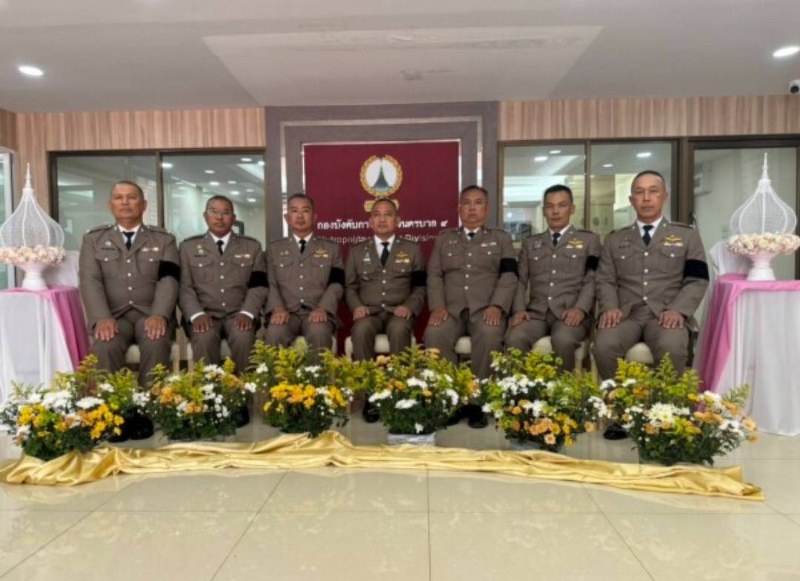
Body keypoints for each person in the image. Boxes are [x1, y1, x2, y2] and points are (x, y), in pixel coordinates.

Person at [593, 170, 709, 439]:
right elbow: (605, 279)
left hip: (666, 313)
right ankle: (622, 414)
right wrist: (610, 307)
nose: (646, 198)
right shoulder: (615, 239)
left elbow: (697, 279)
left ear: (664, 196)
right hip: (627, 313)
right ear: (631, 200)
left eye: (653, 191)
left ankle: (666, 415)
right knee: (604, 345)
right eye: (639, 192)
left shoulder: (687, 236)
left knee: (672, 347)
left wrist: (679, 309)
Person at [424, 185, 518, 427]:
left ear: (487, 209)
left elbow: (509, 276)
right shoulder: (444, 239)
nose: (472, 208)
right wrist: (437, 306)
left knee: (490, 335)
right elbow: (434, 275)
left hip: (486, 309)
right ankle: (452, 399)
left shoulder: (501, 239)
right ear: (459, 209)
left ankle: (477, 402)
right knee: (434, 334)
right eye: (467, 203)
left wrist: (497, 306)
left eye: (478, 203)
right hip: (451, 310)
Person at [79, 180, 179, 391]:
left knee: (156, 342)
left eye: (132, 197)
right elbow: (90, 280)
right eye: (119, 198)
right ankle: (111, 405)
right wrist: (101, 317)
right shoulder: (93, 240)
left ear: (144, 205)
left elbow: (168, 280)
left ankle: (151, 404)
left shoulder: (164, 240)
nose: (125, 202)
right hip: (113, 316)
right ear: (110, 205)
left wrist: (160, 314)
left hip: (150, 313)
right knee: (105, 345)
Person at [345, 198, 426, 421]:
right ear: (370, 221)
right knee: (360, 330)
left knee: (399, 330)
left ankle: (400, 393)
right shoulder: (356, 251)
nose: (382, 219)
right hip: (368, 312)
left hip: (398, 312)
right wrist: (357, 306)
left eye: (388, 214)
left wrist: (409, 306)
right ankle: (370, 396)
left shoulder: (412, 249)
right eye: (377, 215)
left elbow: (420, 286)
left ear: (397, 220)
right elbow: (349, 287)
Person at [506, 184, 600, 371]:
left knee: (563, 340)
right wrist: (519, 309)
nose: (555, 211)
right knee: (514, 338)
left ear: (572, 208)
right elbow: (521, 280)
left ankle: (562, 388)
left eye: (562, 205)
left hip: (570, 314)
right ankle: (522, 387)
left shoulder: (588, 240)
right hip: (537, 313)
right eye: (550, 206)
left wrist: (580, 309)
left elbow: (592, 278)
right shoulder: (531, 243)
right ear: (544, 211)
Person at [179, 195, 268, 375]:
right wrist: (196, 314)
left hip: (239, 313)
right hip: (204, 314)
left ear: (233, 218)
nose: (219, 217)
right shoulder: (188, 247)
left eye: (225, 213)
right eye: (214, 212)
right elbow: (183, 286)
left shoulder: (252, 247)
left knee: (243, 338)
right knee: (204, 338)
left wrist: (247, 312)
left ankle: (246, 390)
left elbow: (259, 285)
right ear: (205, 216)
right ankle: (209, 391)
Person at [260, 193, 344, 352]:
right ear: (287, 218)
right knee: (275, 332)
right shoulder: (273, 249)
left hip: (317, 311)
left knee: (319, 332)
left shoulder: (331, 248)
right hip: (285, 312)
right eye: (294, 211)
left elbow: (337, 283)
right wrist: (277, 307)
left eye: (305, 211)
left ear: (314, 217)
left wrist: (323, 307)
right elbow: (269, 282)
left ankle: (317, 371)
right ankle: (275, 371)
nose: (299, 216)